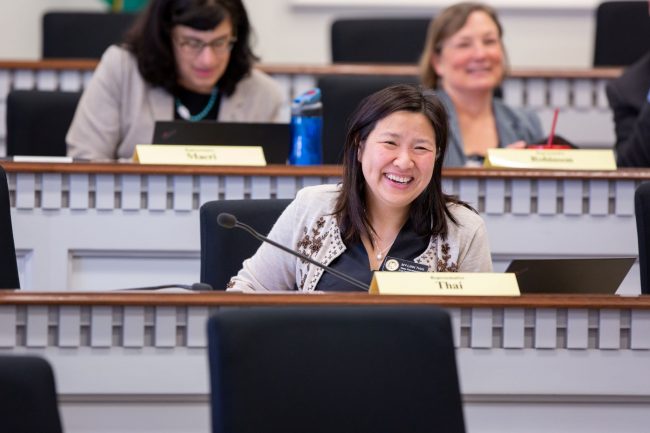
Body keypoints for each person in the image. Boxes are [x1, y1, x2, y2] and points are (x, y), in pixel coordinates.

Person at [227, 84, 493, 292]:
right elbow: (248, 289)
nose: (403, 161)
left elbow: (478, 323)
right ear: (360, 147)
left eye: (421, 148)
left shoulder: (464, 230)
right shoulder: (311, 208)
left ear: (437, 156)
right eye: (390, 143)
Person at [67, 0, 289, 160]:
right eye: (192, 43)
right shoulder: (122, 69)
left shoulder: (264, 94)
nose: (207, 60)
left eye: (219, 43)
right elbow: (86, 159)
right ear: (165, 37)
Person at [419, 2, 543, 167]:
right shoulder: (420, 119)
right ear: (437, 61)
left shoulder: (526, 122)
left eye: (489, 41)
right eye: (464, 44)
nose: (480, 54)